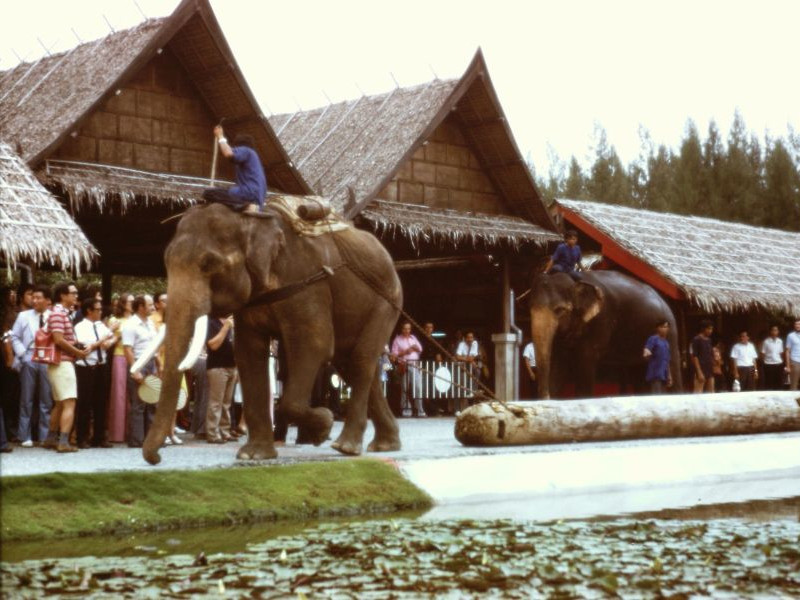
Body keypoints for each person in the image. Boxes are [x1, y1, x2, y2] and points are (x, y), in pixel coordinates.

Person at [43, 282, 89, 452]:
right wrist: (77, 352)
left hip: (59, 363)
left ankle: (50, 438)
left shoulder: (62, 314)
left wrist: (76, 346)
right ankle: (63, 442)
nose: (76, 296)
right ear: (62, 295)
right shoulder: (58, 314)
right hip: (62, 363)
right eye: (73, 293)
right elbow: (58, 339)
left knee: (60, 403)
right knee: (69, 402)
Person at [10, 285, 53, 446]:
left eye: (38, 298)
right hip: (29, 356)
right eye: (33, 297)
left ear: (48, 300)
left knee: (46, 400)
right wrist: (22, 355)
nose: (34, 300)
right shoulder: (23, 316)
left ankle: (44, 436)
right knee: (26, 399)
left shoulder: (54, 316)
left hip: (48, 359)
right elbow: (14, 337)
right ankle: (24, 435)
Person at [74, 297, 117, 448]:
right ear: (89, 311)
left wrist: (107, 340)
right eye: (97, 310)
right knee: (85, 403)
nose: (100, 312)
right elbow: (86, 347)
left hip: (101, 365)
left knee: (101, 403)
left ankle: (99, 437)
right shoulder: (80, 327)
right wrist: (104, 338)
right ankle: (82, 437)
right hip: (86, 367)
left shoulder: (100, 326)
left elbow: (108, 342)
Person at [202, 125, 267, 213]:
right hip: (258, 197)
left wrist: (220, 136)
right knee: (223, 191)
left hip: (248, 193)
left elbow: (228, 154)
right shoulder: (254, 156)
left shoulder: (245, 150)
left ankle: (245, 206)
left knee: (209, 193)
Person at [123, 295, 157, 448]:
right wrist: (135, 369)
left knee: (151, 401)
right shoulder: (131, 324)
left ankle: (150, 439)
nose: (153, 308)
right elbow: (127, 349)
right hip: (138, 362)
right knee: (138, 403)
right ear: (141, 307)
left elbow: (154, 346)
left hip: (151, 363)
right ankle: (137, 440)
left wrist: (158, 365)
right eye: (150, 305)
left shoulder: (150, 323)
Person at [205, 316, 238, 443]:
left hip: (232, 366)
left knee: (227, 403)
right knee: (216, 402)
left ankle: (225, 431)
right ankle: (213, 433)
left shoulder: (232, 322)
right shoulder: (211, 323)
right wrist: (225, 327)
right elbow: (213, 345)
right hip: (218, 366)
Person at [107, 293, 133, 443]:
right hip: (119, 355)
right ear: (123, 303)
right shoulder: (114, 320)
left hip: (134, 356)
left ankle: (132, 431)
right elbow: (108, 340)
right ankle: (117, 434)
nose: (132, 303)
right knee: (119, 393)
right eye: (130, 301)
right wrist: (116, 333)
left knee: (132, 394)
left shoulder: (136, 320)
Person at [390, 322, 424, 418]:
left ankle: (420, 409)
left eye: (408, 329)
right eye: (405, 328)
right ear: (401, 329)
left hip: (415, 365)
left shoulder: (413, 338)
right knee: (405, 388)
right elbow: (393, 355)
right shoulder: (397, 339)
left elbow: (420, 349)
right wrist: (406, 351)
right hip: (404, 365)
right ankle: (406, 409)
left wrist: (414, 348)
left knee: (418, 387)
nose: (406, 331)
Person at [643, 320, 673, 394]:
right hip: (655, 373)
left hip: (664, 374)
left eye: (666, 327)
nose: (664, 329)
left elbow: (667, 360)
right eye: (662, 327)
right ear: (657, 328)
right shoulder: (653, 339)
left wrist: (669, 375)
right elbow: (647, 350)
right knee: (657, 397)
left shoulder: (666, 343)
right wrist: (646, 353)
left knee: (663, 397)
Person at [691, 320, 714, 393]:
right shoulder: (696, 339)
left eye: (711, 329)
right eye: (709, 329)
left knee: (711, 392)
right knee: (698, 393)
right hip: (700, 368)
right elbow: (695, 356)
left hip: (709, 368)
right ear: (703, 329)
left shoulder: (709, 340)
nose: (710, 331)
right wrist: (699, 372)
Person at [760, 325, 784, 391]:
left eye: (776, 330)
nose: (774, 332)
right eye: (773, 330)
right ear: (770, 331)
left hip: (778, 364)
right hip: (768, 365)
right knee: (769, 384)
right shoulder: (766, 342)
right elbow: (763, 353)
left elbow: (781, 353)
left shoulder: (780, 341)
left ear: (778, 332)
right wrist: (763, 364)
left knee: (779, 383)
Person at [786, 319, 800, 391]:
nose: (798, 326)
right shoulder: (790, 336)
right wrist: (788, 366)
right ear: (794, 326)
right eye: (796, 324)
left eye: (799, 324)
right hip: (795, 361)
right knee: (794, 385)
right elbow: (788, 351)